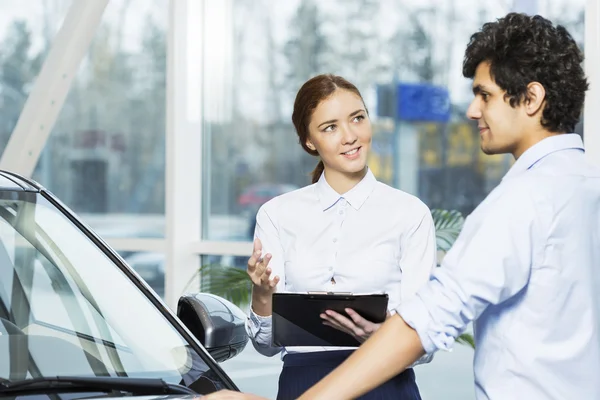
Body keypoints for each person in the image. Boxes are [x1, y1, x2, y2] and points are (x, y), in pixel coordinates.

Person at [287, 12, 600, 400]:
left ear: (532, 99)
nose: (472, 111)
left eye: (484, 95)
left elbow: (428, 320)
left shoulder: (524, 199)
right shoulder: (588, 187)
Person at [242, 74, 437, 399]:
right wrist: (262, 295)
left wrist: (384, 334)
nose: (350, 136)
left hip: (385, 381)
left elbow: (424, 344)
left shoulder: (410, 213)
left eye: (357, 119)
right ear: (309, 141)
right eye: (330, 127)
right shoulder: (277, 214)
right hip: (303, 383)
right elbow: (266, 346)